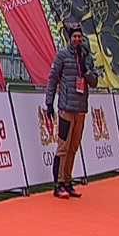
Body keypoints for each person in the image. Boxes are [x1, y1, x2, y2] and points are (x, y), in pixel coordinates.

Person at [44, 20, 99, 198]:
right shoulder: (62, 55)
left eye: (79, 37)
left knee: (74, 147)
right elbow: (53, 78)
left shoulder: (87, 57)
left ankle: (68, 181)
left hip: (81, 108)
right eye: (74, 36)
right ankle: (58, 184)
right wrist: (49, 103)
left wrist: (86, 70)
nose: (77, 39)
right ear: (69, 38)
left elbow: (94, 82)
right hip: (66, 108)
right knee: (63, 147)